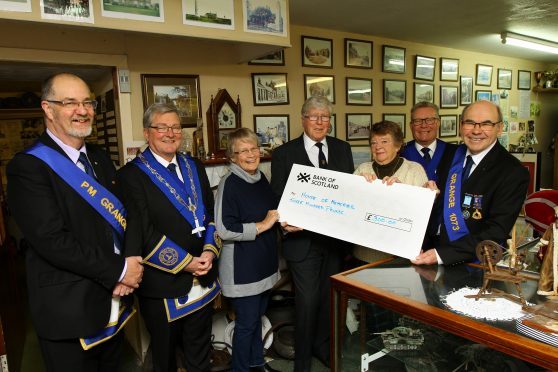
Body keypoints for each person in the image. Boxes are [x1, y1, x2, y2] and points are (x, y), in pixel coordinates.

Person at [7, 72, 143, 371]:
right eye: (70, 102)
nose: (82, 111)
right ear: (48, 108)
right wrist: (119, 270)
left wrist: (130, 260)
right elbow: (52, 241)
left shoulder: (99, 157)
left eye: (87, 102)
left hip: (114, 301)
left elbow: (126, 213)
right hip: (69, 312)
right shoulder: (27, 167)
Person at [117, 103, 221, 372]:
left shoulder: (193, 165)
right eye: (161, 127)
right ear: (147, 132)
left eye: (175, 127)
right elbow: (142, 232)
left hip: (204, 276)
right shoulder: (130, 176)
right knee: (164, 359)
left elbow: (209, 213)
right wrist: (186, 262)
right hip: (163, 284)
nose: (170, 133)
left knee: (200, 354)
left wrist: (209, 251)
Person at [270, 96, 354, 371]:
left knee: (329, 300)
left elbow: (349, 193)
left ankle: (324, 348)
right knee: (306, 302)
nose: (320, 122)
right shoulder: (284, 153)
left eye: (325, 117)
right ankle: (302, 363)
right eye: (314, 117)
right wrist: (285, 221)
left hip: (333, 242)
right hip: (301, 243)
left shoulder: (343, 149)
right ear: (303, 119)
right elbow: (278, 196)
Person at [413, 100, 530, 266]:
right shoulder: (451, 154)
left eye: (486, 124)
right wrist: (432, 195)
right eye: (470, 123)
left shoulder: (513, 172)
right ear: (461, 126)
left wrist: (441, 255)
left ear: (500, 128)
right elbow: (446, 205)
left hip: (476, 264)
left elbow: (496, 232)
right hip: (430, 254)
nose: (476, 130)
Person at [214, 128, 280, 372]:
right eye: (243, 151)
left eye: (254, 148)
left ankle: (256, 362)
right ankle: (240, 369)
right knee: (246, 323)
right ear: (232, 156)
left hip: (263, 261)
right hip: (243, 266)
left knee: (256, 319)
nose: (251, 154)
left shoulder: (260, 177)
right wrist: (262, 226)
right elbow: (224, 229)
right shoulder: (229, 183)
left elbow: (272, 211)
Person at [352, 120, 428, 263]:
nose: (378, 146)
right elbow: (349, 210)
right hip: (363, 255)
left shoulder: (414, 169)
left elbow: (422, 214)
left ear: (398, 145)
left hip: (400, 256)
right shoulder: (362, 169)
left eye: (384, 141)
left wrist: (403, 193)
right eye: (373, 142)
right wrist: (357, 186)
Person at [401, 102, 457, 181]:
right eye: (417, 121)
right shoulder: (400, 153)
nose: (423, 125)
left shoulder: (454, 152)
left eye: (429, 120)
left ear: (438, 123)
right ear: (411, 126)